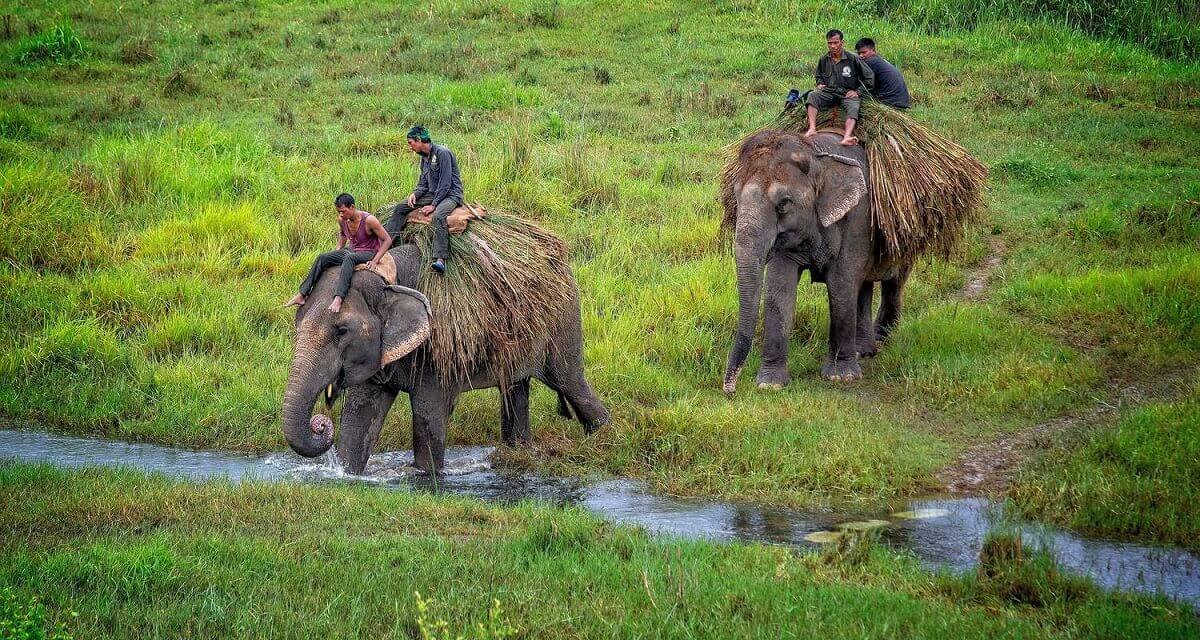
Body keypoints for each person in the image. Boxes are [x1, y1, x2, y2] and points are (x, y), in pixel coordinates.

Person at [285, 193, 393, 313]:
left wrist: (375, 260)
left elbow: (387, 239)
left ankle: (339, 298)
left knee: (350, 259)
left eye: (343, 211)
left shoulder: (369, 220)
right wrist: (337, 251)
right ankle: (302, 294)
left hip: (368, 251)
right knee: (323, 257)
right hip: (352, 249)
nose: (341, 214)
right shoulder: (342, 220)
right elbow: (343, 235)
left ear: (352, 207)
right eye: (339, 212)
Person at [384, 125, 464, 274]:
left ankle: (440, 259)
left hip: (450, 195)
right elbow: (423, 183)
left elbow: (445, 183)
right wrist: (415, 194)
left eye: (410, 143)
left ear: (419, 140)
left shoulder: (442, 153)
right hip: (433, 193)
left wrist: (433, 205)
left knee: (439, 216)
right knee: (401, 207)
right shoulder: (424, 159)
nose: (410, 147)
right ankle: (386, 242)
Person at [804, 29, 875, 146]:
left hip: (847, 93)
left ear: (842, 42)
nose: (833, 46)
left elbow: (869, 77)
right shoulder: (824, 59)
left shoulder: (853, 58)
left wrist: (857, 92)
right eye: (830, 43)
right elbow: (819, 75)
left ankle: (847, 135)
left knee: (853, 106)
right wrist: (819, 83)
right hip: (830, 91)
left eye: (836, 43)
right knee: (812, 96)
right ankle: (812, 128)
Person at [854, 37, 911, 110]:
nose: (861, 56)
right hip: (902, 103)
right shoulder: (879, 60)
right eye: (859, 53)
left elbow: (857, 81)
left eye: (864, 52)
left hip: (891, 104)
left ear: (873, 50)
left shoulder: (871, 62)